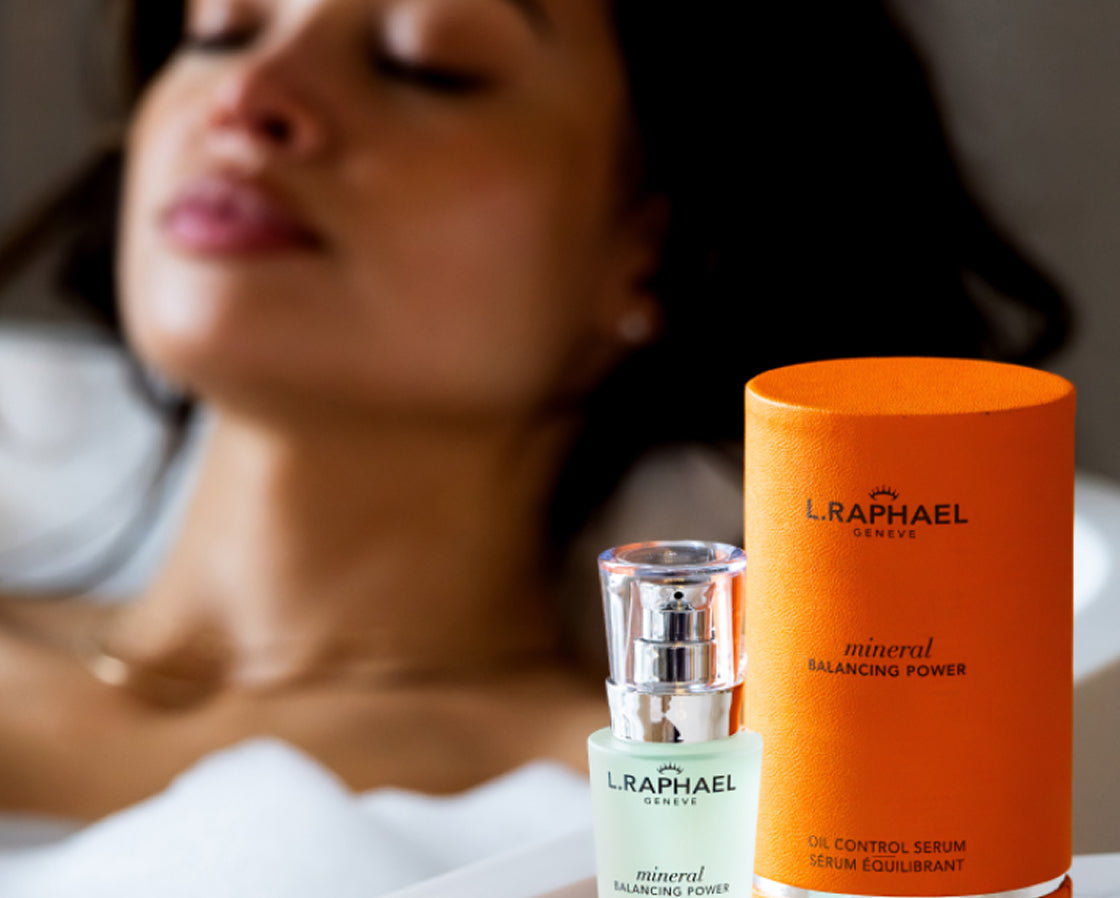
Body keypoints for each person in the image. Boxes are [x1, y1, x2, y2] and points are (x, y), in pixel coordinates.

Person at [0, 0, 1068, 822]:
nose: (249, 95)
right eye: (222, 30)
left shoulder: (665, 803)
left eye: (429, 62)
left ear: (650, 247)